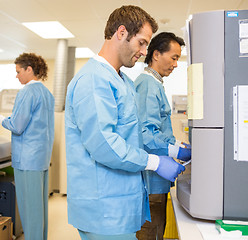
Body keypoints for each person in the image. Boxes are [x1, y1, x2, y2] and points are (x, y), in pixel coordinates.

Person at [65, 6, 185, 240]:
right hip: (104, 208)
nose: (143, 52)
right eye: (141, 43)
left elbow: (135, 136)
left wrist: (167, 151)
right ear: (121, 32)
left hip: (121, 204)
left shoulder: (123, 81)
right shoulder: (93, 79)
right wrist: (154, 162)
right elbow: (104, 145)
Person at [0, 53, 55, 240]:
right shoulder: (46, 93)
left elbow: (17, 126)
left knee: (29, 210)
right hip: (41, 159)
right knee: (39, 210)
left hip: (27, 160)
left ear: (29, 69)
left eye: (18, 71)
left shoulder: (27, 92)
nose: (16, 76)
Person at [134, 32, 191, 240]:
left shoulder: (155, 84)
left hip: (157, 181)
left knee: (158, 230)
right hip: (151, 181)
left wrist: (177, 144)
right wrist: (176, 151)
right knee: (150, 232)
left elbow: (159, 129)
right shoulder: (147, 84)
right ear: (156, 54)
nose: (176, 64)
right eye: (174, 58)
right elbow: (146, 134)